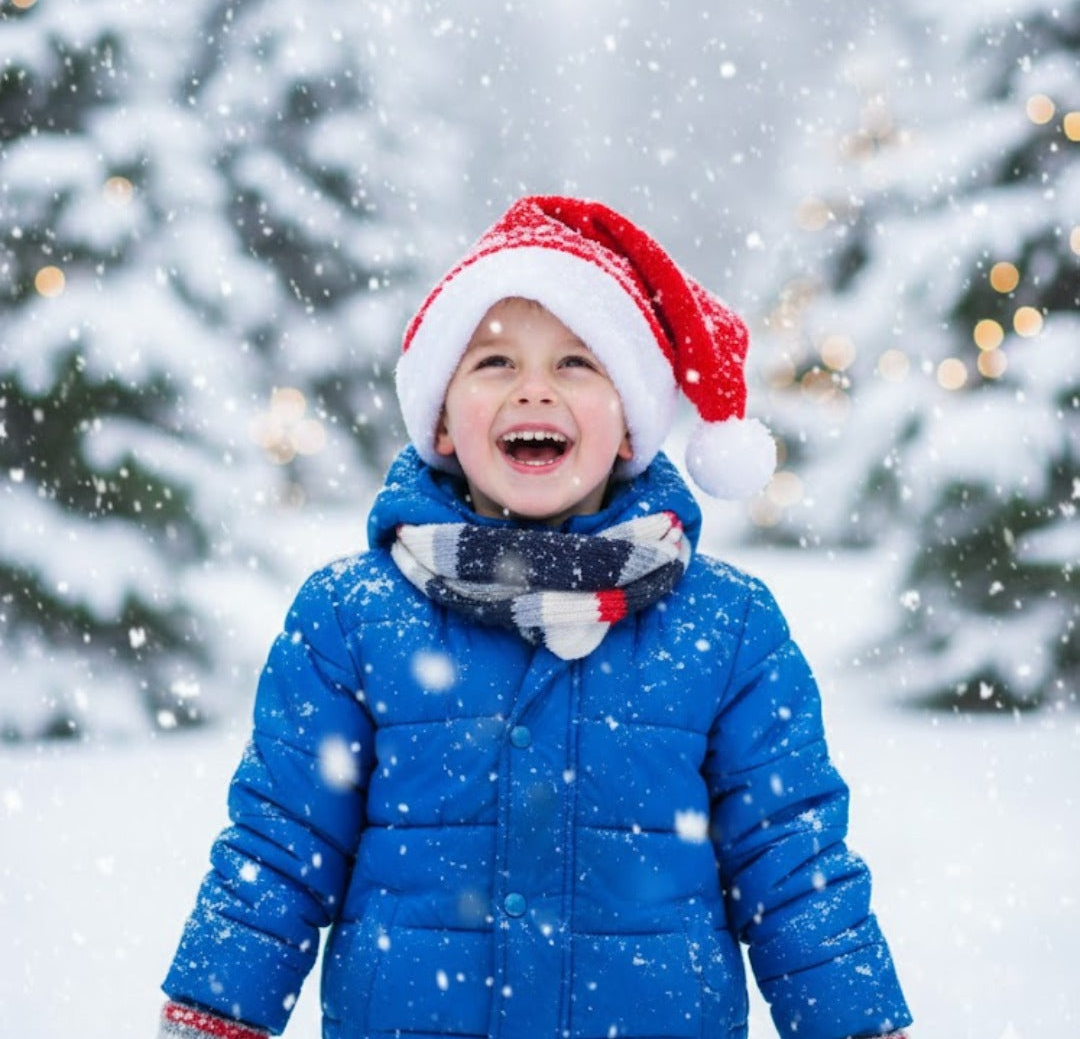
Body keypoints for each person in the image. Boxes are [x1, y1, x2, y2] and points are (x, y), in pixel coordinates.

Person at [158, 196, 912, 1039]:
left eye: (577, 365)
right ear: (442, 418)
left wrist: (856, 1024)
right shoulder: (353, 617)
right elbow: (279, 850)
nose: (534, 391)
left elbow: (792, 863)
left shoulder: (727, 628)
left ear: (631, 420)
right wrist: (213, 1017)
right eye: (494, 364)